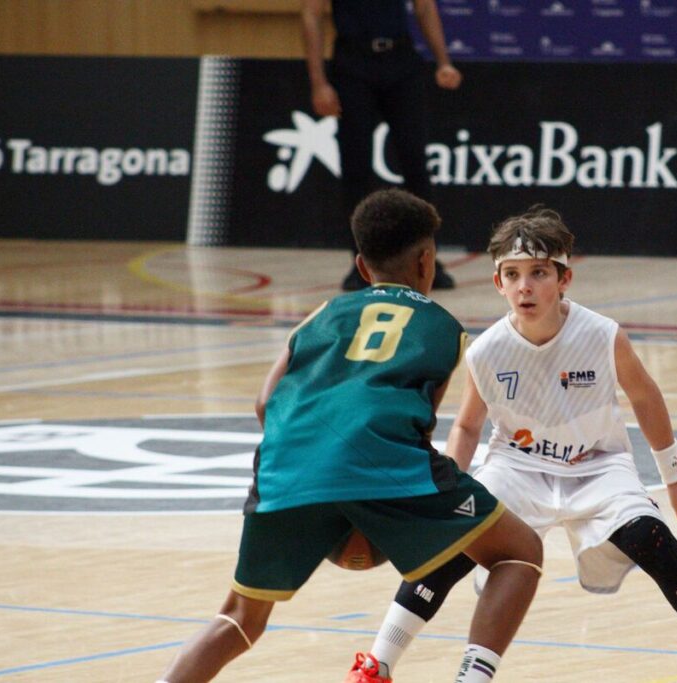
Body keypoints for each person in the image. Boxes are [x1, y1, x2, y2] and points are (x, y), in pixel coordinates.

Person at [344, 207, 677, 682]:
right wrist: (447, 494)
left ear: (565, 279)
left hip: (597, 464)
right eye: (513, 274)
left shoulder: (602, 335)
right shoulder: (486, 350)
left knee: (650, 537)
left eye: (539, 273)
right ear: (498, 283)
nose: (525, 286)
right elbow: (466, 427)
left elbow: (646, 397)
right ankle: (377, 666)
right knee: (451, 544)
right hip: (515, 468)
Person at [155, 189, 542, 683]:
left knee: (238, 619)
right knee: (518, 551)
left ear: (361, 265)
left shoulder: (319, 315)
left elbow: (263, 404)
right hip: (384, 464)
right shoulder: (443, 327)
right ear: (428, 261)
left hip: (285, 470)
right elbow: (419, 423)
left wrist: (316, 480)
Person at [301, 0, 460, 291]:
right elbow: (312, 14)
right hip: (352, 61)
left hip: (401, 59)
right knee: (356, 169)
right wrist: (318, 82)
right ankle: (362, 263)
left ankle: (427, 260)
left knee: (415, 166)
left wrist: (443, 61)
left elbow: (424, 7)